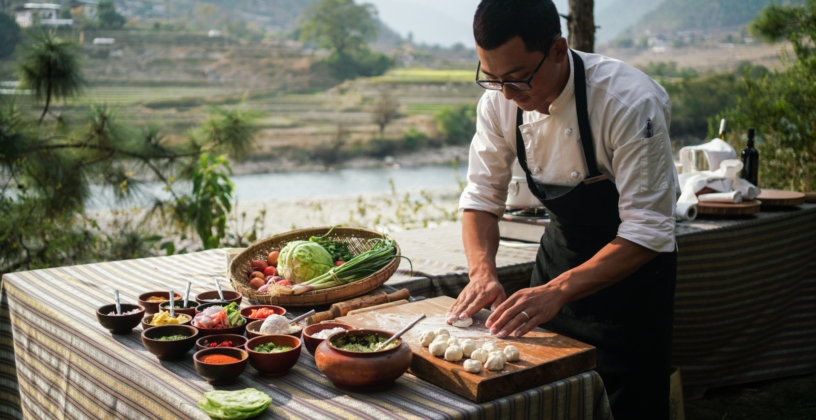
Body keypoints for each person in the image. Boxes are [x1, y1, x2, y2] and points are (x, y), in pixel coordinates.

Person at [447, 1, 680, 418]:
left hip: (631, 286)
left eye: (518, 79)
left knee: (629, 404)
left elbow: (648, 231)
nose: (507, 94)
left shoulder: (627, 102)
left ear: (558, 50)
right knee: (545, 399)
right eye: (492, 77)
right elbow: (482, 198)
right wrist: (482, 272)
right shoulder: (500, 102)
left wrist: (557, 292)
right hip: (558, 260)